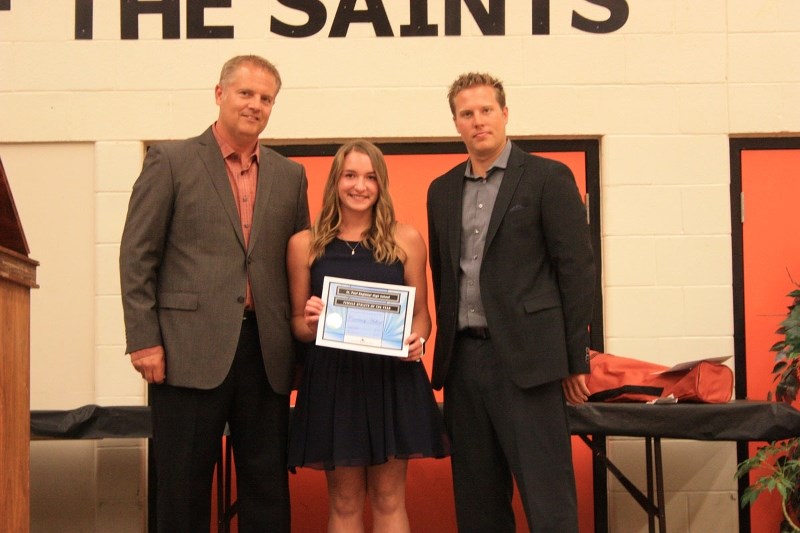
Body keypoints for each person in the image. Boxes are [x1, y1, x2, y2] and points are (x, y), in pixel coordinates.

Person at [119, 55, 310, 533]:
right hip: (186, 353)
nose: (256, 105)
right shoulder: (171, 160)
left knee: (267, 489)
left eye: (266, 98)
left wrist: (304, 349)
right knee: (182, 490)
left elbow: (299, 264)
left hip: (266, 354)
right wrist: (144, 339)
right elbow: (137, 255)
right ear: (220, 93)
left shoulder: (291, 176)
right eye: (246, 93)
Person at [426, 72, 595, 532]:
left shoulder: (547, 177)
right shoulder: (440, 190)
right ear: (456, 123)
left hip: (530, 363)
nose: (477, 120)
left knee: (547, 497)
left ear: (504, 114)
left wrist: (576, 356)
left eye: (485, 110)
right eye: (467, 113)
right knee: (478, 503)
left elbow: (576, 270)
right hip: (463, 363)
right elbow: (443, 276)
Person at [286, 140, 449, 532]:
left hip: (392, 380)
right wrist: (309, 324)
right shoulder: (304, 244)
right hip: (332, 381)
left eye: (371, 177)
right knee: (343, 503)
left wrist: (418, 341)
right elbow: (295, 322)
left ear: (382, 185)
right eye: (351, 175)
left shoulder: (406, 239)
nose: (360, 186)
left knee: (390, 500)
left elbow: (423, 316)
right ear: (335, 182)